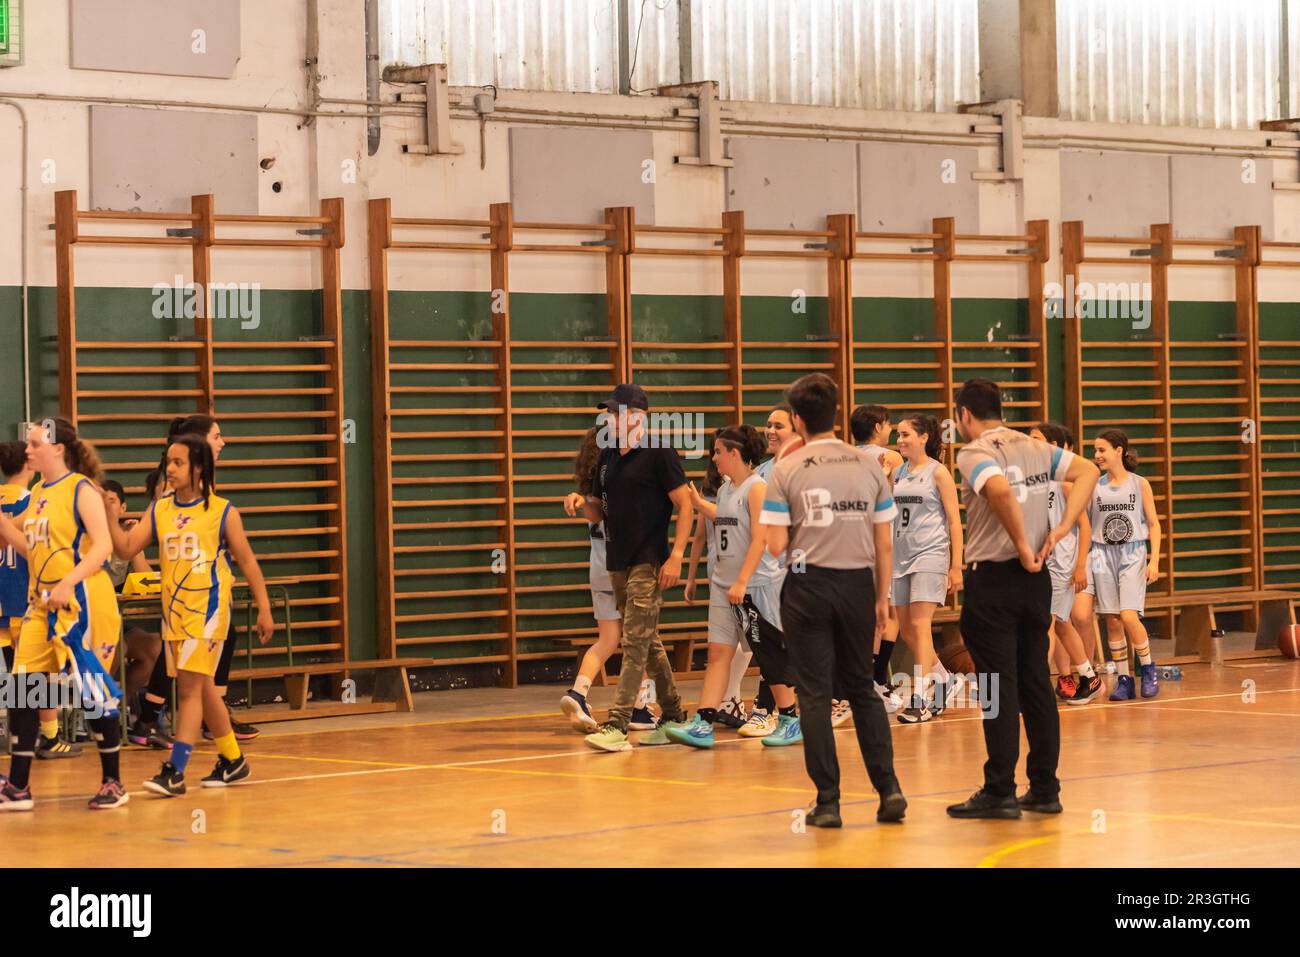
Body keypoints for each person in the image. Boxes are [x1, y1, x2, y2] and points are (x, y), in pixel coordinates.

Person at [945, 379, 1099, 820]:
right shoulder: (1035, 447)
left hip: (995, 579)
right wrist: (1064, 526)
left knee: (996, 686)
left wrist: (1020, 542)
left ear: (965, 415)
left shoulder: (975, 452)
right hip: (1035, 583)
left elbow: (996, 492)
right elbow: (1087, 471)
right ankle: (1046, 788)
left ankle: (999, 790)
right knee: (1035, 682)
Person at [760, 373, 907, 828]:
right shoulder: (870, 464)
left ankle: (828, 802)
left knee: (816, 696)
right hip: (859, 584)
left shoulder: (786, 468)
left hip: (807, 585)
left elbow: (775, 546)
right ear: (837, 414)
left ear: (799, 420)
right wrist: (882, 598)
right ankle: (889, 791)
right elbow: (885, 542)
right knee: (861, 687)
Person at [108, 435, 274, 795]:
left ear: (198, 467)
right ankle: (233, 761)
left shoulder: (222, 511)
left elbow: (247, 561)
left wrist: (264, 606)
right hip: (175, 615)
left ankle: (175, 770)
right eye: (168, 461)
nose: (169, 468)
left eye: (178, 462)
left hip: (209, 612)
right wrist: (108, 516)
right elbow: (124, 547)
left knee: (188, 692)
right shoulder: (160, 510)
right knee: (205, 691)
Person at [0, 418, 129, 810]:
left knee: (90, 688)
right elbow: (25, 544)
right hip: (41, 603)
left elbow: (103, 546)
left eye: (36, 443)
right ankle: (18, 787)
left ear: (58, 448)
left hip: (83, 598)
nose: (28, 450)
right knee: (23, 687)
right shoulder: (38, 491)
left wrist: (68, 582)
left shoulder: (82, 489)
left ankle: (113, 781)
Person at [669, 425, 802, 748]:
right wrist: (701, 505)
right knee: (717, 652)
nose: (713, 458)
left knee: (768, 655)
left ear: (734, 453)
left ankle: (790, 717)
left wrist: (743, 580)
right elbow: (726, 517)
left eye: (717, 451)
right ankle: (703, 721)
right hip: (724, 584)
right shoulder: (728, 488)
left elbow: (760, 536)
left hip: (756, 585)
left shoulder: (757, 489)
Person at [583, 385, 693, 752]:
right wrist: (580, 503)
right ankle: (675, 714)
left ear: (638, 417)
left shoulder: (660, 453)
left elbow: (685, 505)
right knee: (647, 642)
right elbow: (598, 508)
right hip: (617, 560)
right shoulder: (606, 458)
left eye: (616, 413)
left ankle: (617, 723)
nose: (610, 419)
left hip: (649, 559)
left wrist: (676, 555)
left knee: (633, 643)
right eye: (609, 413)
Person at [559, 426, 657, 732]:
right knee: (639, 640)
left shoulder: (592, 490)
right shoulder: (615, 488)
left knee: (609, 640)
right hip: (623, 570)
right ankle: (640, 706)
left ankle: (580, 692)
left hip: (598, 569)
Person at [1, 440, 83, 759]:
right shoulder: (32, 500)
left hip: (2, 600)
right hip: (25, 597)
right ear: (29, 464)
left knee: (18, 672)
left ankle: (24, 735)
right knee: (42, 672)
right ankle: (47, 736)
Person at [889, 414, 964, 723]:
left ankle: (920, 697)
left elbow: (954, 520)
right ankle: (946, 679)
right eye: (897, 434)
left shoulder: (939, 473)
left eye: (905, 434)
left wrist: (955, 564)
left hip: (929, 555)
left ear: (923, 437)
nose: (899, 440)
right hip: (900, 556)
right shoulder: (897, 472)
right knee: (908, 631)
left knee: (920, 626)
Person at [1081, 429, 1162, 701]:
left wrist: (1155, 560)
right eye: (1095, 450)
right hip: (1102, 554)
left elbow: (1154, 524)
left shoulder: (1140, 484)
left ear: (1119, 451)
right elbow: (1085, 524)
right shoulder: (1095, 486)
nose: (1097, 455)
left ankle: (1149, 668)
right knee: (1112, 621)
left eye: (1102, 449)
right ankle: (1124, 679)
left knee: (1128, 616)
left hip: (1132, 552)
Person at [1030, 424, 1103, 705]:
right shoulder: (1034, 481)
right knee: (1060, 624)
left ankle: (1037, 688)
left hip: (1062, 564)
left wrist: (1081, 566)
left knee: (1046, 624)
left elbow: (1084, 527)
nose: (1030, 443)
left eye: (1036, 440)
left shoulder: (1066, 482)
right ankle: (1089, 677)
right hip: (1043, 563)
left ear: (1053, 446)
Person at [849, 404, 905, 718]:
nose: (892, 430)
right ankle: (876, 681)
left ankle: (868, 681)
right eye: (889, 425)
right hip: (881, 542)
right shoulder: (891, 458)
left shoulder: (846, 456)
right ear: (878, 426)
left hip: (852, 543)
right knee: (888, 614)